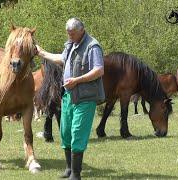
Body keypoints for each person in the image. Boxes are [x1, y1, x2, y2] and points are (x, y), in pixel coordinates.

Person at [36, 17, 105, 180]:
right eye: (68, 33)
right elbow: (62, 58)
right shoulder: (71, 44)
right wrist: (42, 53)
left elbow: (99, 70)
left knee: (77, 133)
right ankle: (68, 169)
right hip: (68, 96)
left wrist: (77, 80)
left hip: (85, 98)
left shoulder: (92, 46)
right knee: (65, 132)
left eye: (72, 33)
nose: (70, 36)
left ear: (82, 30)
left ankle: (76, 174)